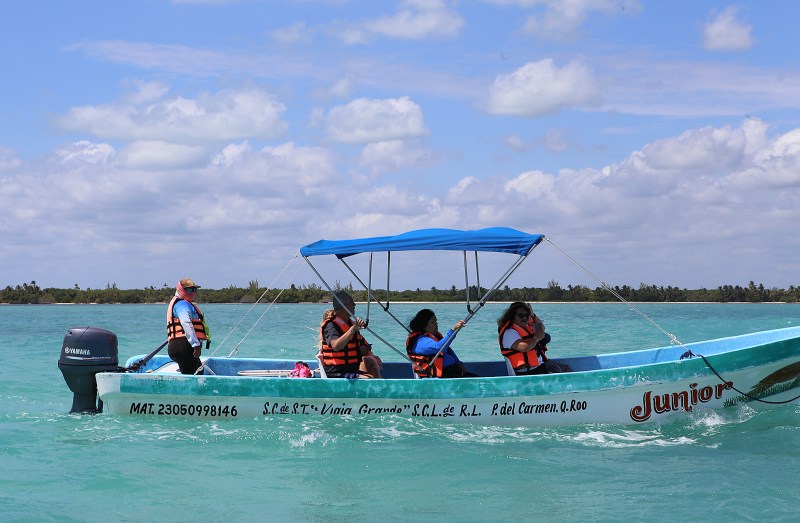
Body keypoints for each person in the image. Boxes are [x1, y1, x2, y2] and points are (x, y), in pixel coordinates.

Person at [319, 291, 382, 379]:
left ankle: (382, 391)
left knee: (372, 367)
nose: (354, 305)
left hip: (351, 369)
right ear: (344, 306)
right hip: (336, 372)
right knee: (368, 379)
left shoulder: (349, 323)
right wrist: (353, 329)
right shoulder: (331, 326)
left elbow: (356, 346)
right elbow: (336, 346)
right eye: (352, 302)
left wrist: (364, 351)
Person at [497, 301, 569, 375]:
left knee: (566, 368)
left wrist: (532, 315)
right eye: (521, 315)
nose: (525, 318)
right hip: (528, 370)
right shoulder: (509, 332)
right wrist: (536, 338)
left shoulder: (525, 327)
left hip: (539, 364)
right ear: (512, 317)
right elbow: (524, 347)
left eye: (527, 315)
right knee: (556, 370)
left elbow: (541, 329)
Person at [406, 308, 477, 378]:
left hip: (453, 371)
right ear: (424, 325)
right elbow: (439, 348)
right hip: (440, 376)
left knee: (477, 380)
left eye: (436, 321)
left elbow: (448, 350)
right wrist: (453, 331)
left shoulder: (435, 337)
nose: (436, 324)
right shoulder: (421, 341)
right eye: (433, 322)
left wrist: (459, 364)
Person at [166, 278, 210, 375]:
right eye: (189, 290)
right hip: (184, 347)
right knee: (195, 375)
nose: (192, 292)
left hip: (178, 347)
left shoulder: (183, 303)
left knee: (198, 371)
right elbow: (186, 323)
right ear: (180, 290)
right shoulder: (182, 304)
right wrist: (196, 344)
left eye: (194, 289)